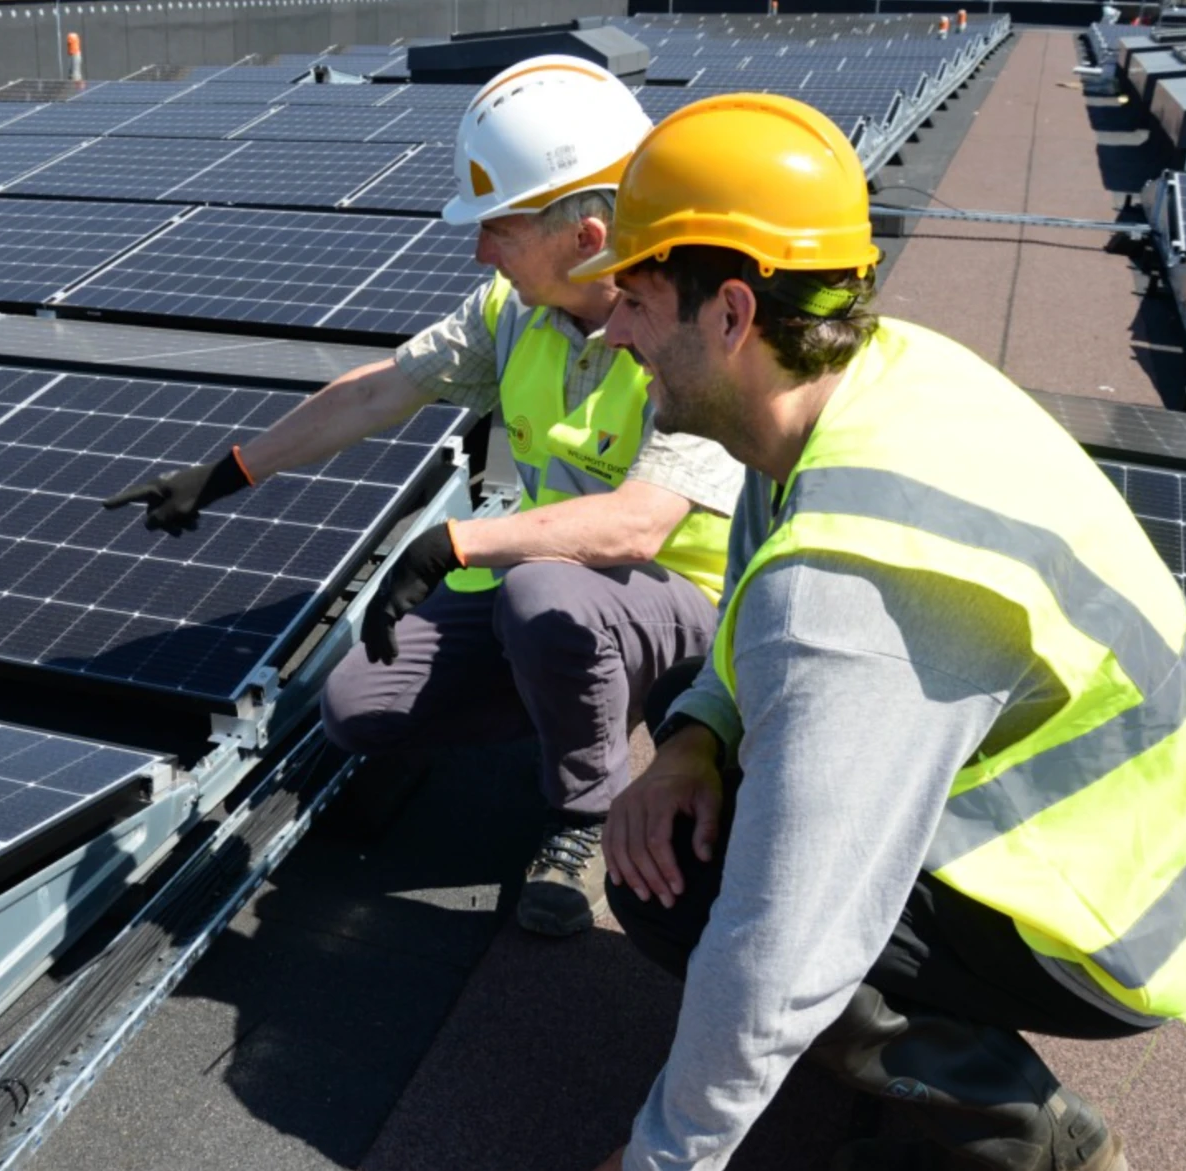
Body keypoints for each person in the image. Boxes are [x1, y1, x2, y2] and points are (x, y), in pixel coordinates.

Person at [572, 92, 1186, 1171]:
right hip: (1173, 833)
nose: (612, 331)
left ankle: (1032, 1140)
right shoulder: (868, 378)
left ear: (727, 312)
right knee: (713, 827)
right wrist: (692, 736)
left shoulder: (846, 592)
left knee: (687, 883)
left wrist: (666, 1154)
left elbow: (781, 945)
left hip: (1125, 913)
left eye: (631, 300)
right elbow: (757, 577)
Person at [104, 56, 743, 936]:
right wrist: (226, 472)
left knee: (544, 594)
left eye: (502, 229)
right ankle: (568, 689)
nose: (481, 249)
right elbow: (382, 390)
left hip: (691, 613)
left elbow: (638, 526)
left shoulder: (688, 332)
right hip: (559, 589)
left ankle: (584, 815)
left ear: (588, 236)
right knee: (354, 706)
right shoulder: (511, 310)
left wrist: (458, 545)